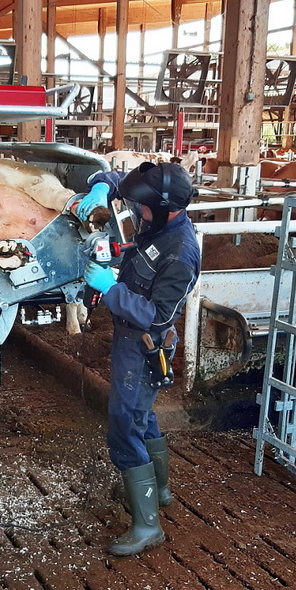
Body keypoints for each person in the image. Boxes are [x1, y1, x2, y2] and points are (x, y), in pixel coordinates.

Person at [76, 162, 201, 556]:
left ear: (166, 208)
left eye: (144, 208)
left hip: (144, 341)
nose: (138, 212)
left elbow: (159, 314)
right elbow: (117, 180)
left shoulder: (181, 253)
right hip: (130, 335)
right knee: (143, 416)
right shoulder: (160, 217)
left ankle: (148, 525)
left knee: (125, 423)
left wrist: (110, 289)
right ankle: (157, 490)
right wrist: (100, 187)